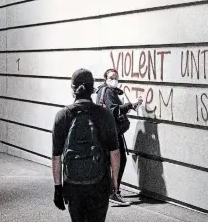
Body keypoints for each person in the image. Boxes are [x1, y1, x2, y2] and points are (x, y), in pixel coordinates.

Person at [52, 68, 120, 222]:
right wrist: (114, 180)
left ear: (73, 90)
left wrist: (58, 188)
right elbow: (114, 152)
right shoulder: (105, 115)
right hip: (99, 183)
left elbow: (56, 157)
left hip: (73, 183)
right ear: (92, 89)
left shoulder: (62, 115)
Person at [96, 68, 142, 206]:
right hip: (112, 132)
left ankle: (110, 191)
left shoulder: (101, 90)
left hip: (105, 131)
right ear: (106, 79)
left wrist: (129, 106)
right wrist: (130, 104)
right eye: (111, 77)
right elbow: (114, 110)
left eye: (116, 77)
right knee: (119, 161)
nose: (114, 79)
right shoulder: (108, 91)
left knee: (110, 162)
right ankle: (114, 192)